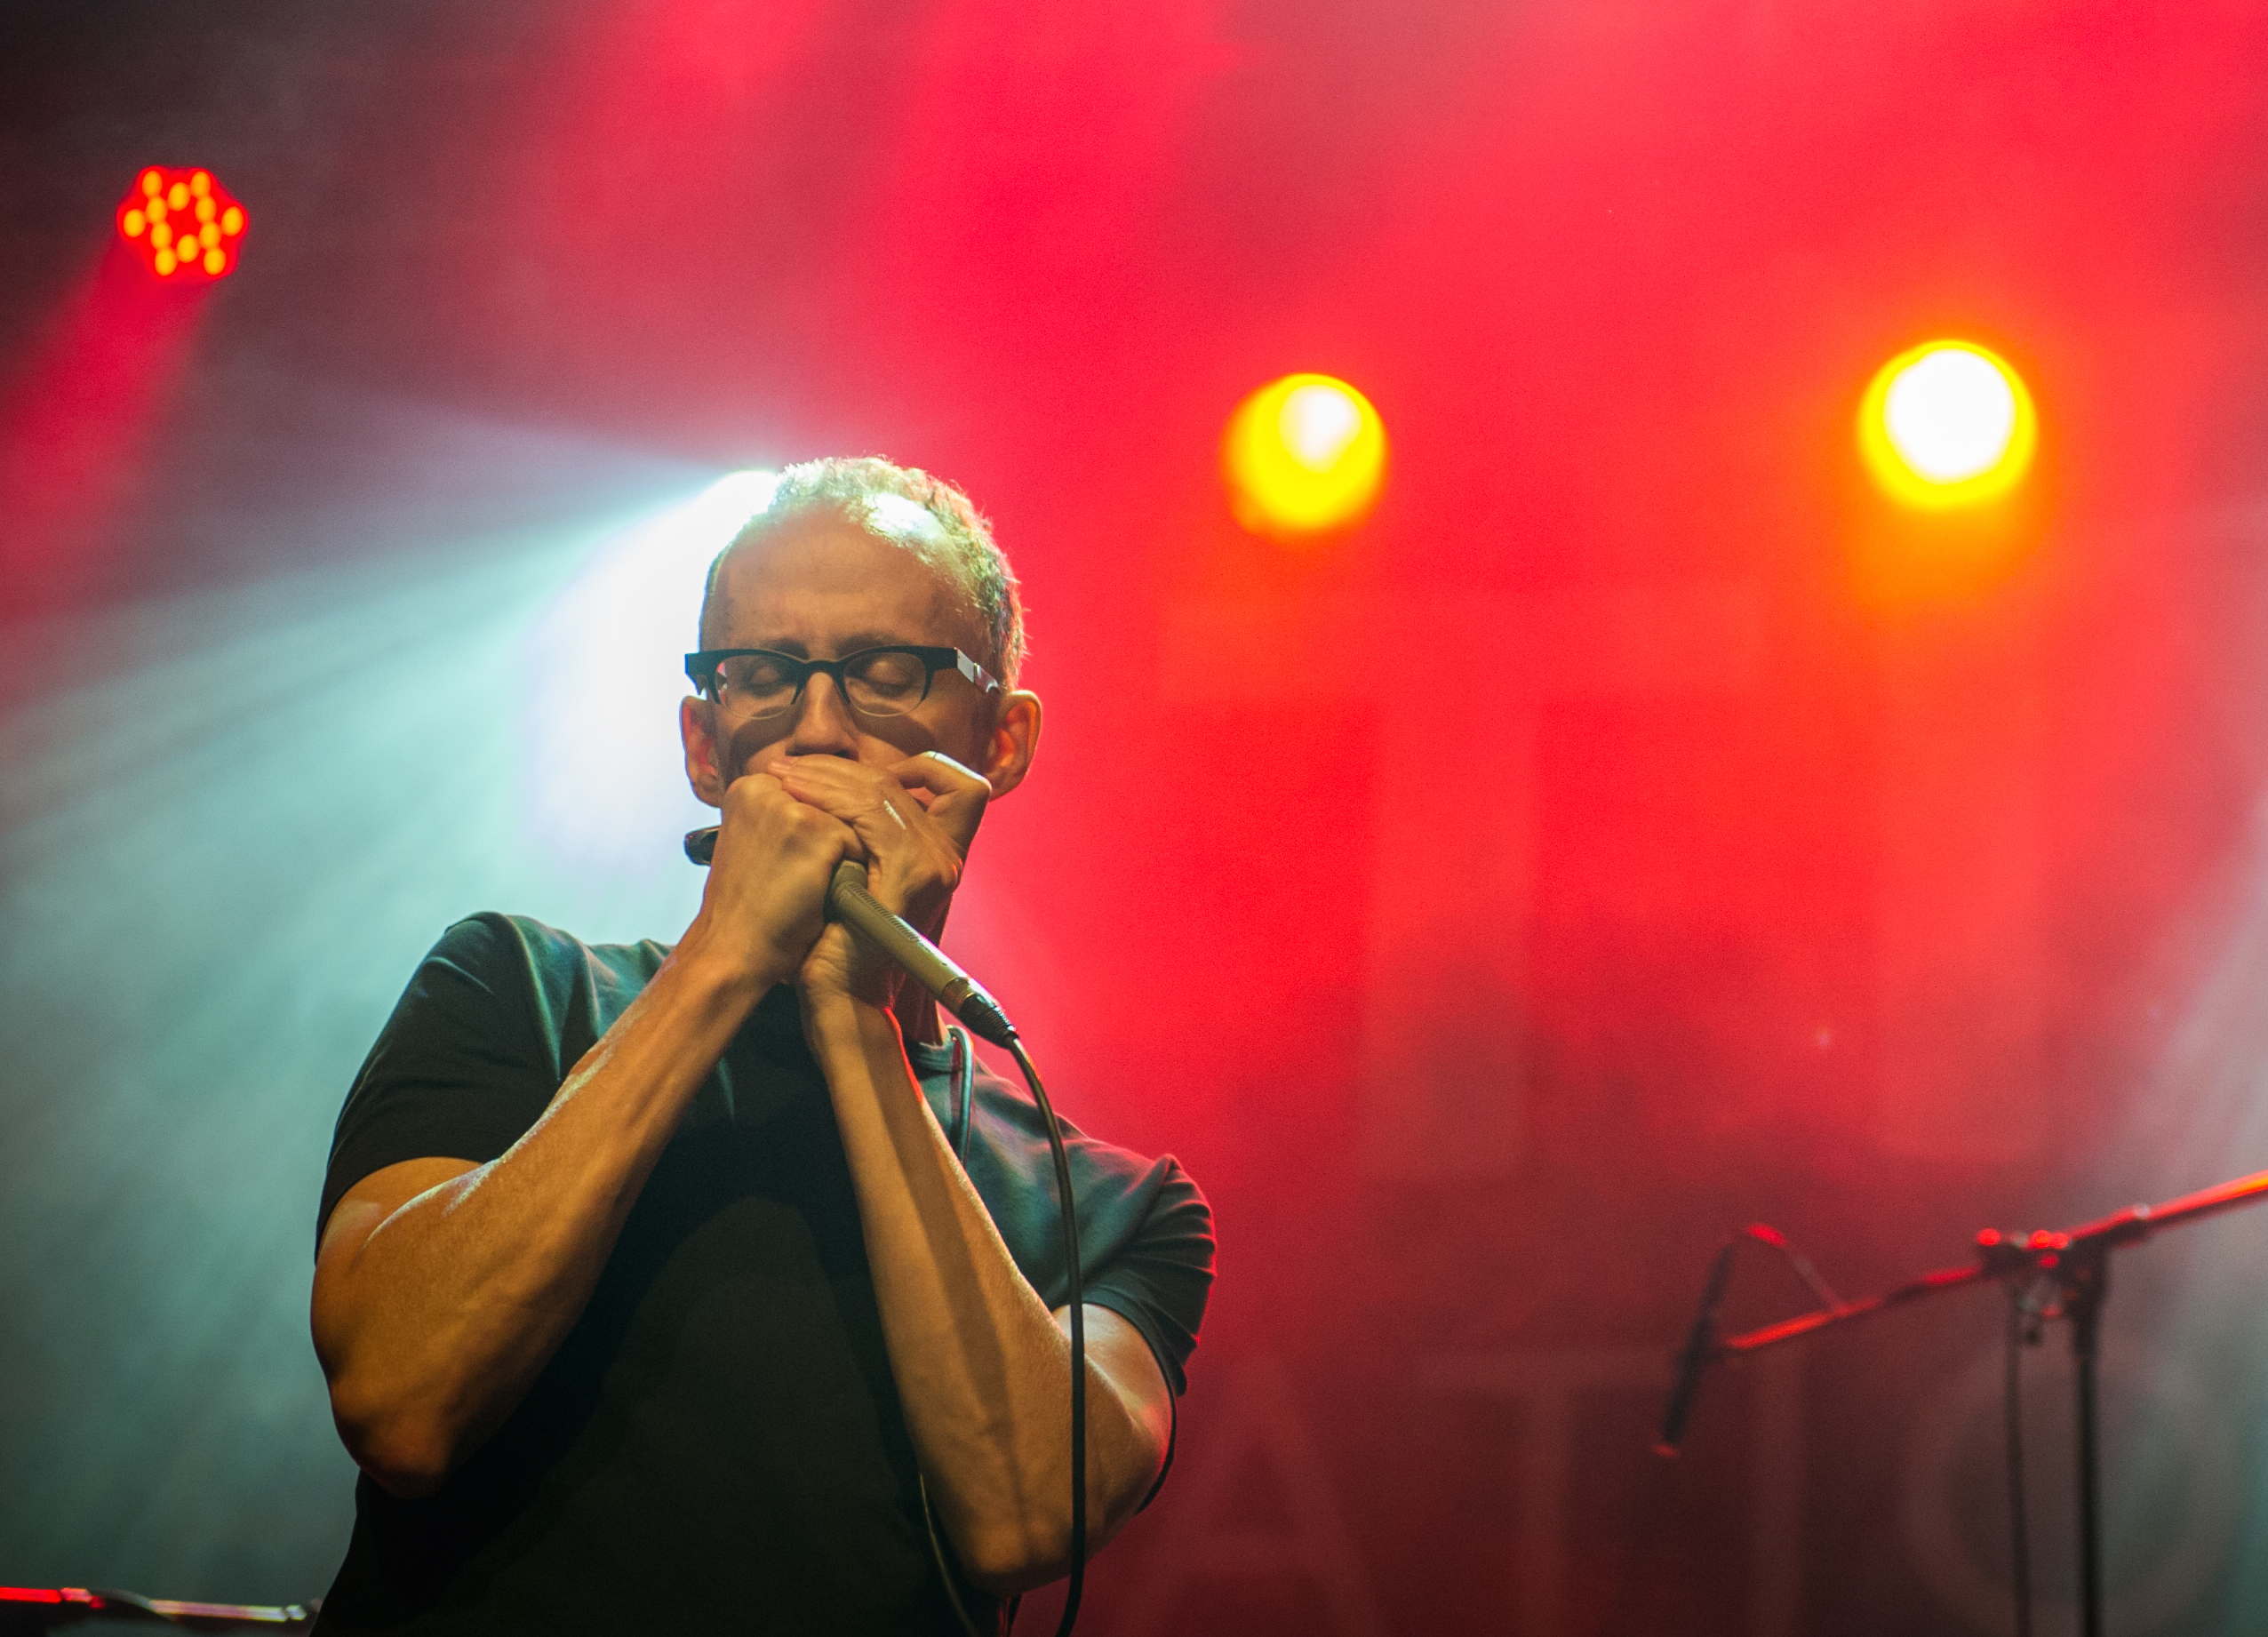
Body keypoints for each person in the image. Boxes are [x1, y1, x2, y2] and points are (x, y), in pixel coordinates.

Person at [307, 457, 1215, 1634]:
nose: (819, 729)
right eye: (766, 675)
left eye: (887, 671)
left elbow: (1027, 1515)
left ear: (1001, 739)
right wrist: (726, 956)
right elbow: (396, 1402)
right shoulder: (517, 992)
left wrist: (855, 1018)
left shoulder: (1114, 1205)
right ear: (704, 741)